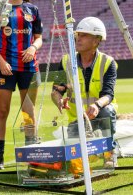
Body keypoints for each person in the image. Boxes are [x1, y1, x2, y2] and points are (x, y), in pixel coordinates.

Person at [0, 0, 43, 170]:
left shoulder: (33, 10)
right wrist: (1, 62)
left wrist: (32, 47)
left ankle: (31, 155)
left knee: (28, 111)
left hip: (29, 68)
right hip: (4, 69)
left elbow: (39, 37)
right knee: (2, 111)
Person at [50, 16, 118, 167]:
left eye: (84, 35)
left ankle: (110, 154)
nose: (78, 39)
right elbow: (56, 91)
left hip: (100, 112)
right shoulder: (66, 61)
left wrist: (97, 106)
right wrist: (59, 100)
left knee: (107, 112)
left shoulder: (108, 62)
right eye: (78, 35)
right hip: (77, 119)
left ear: (96, 40)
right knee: (75, 163)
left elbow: (108, 94)